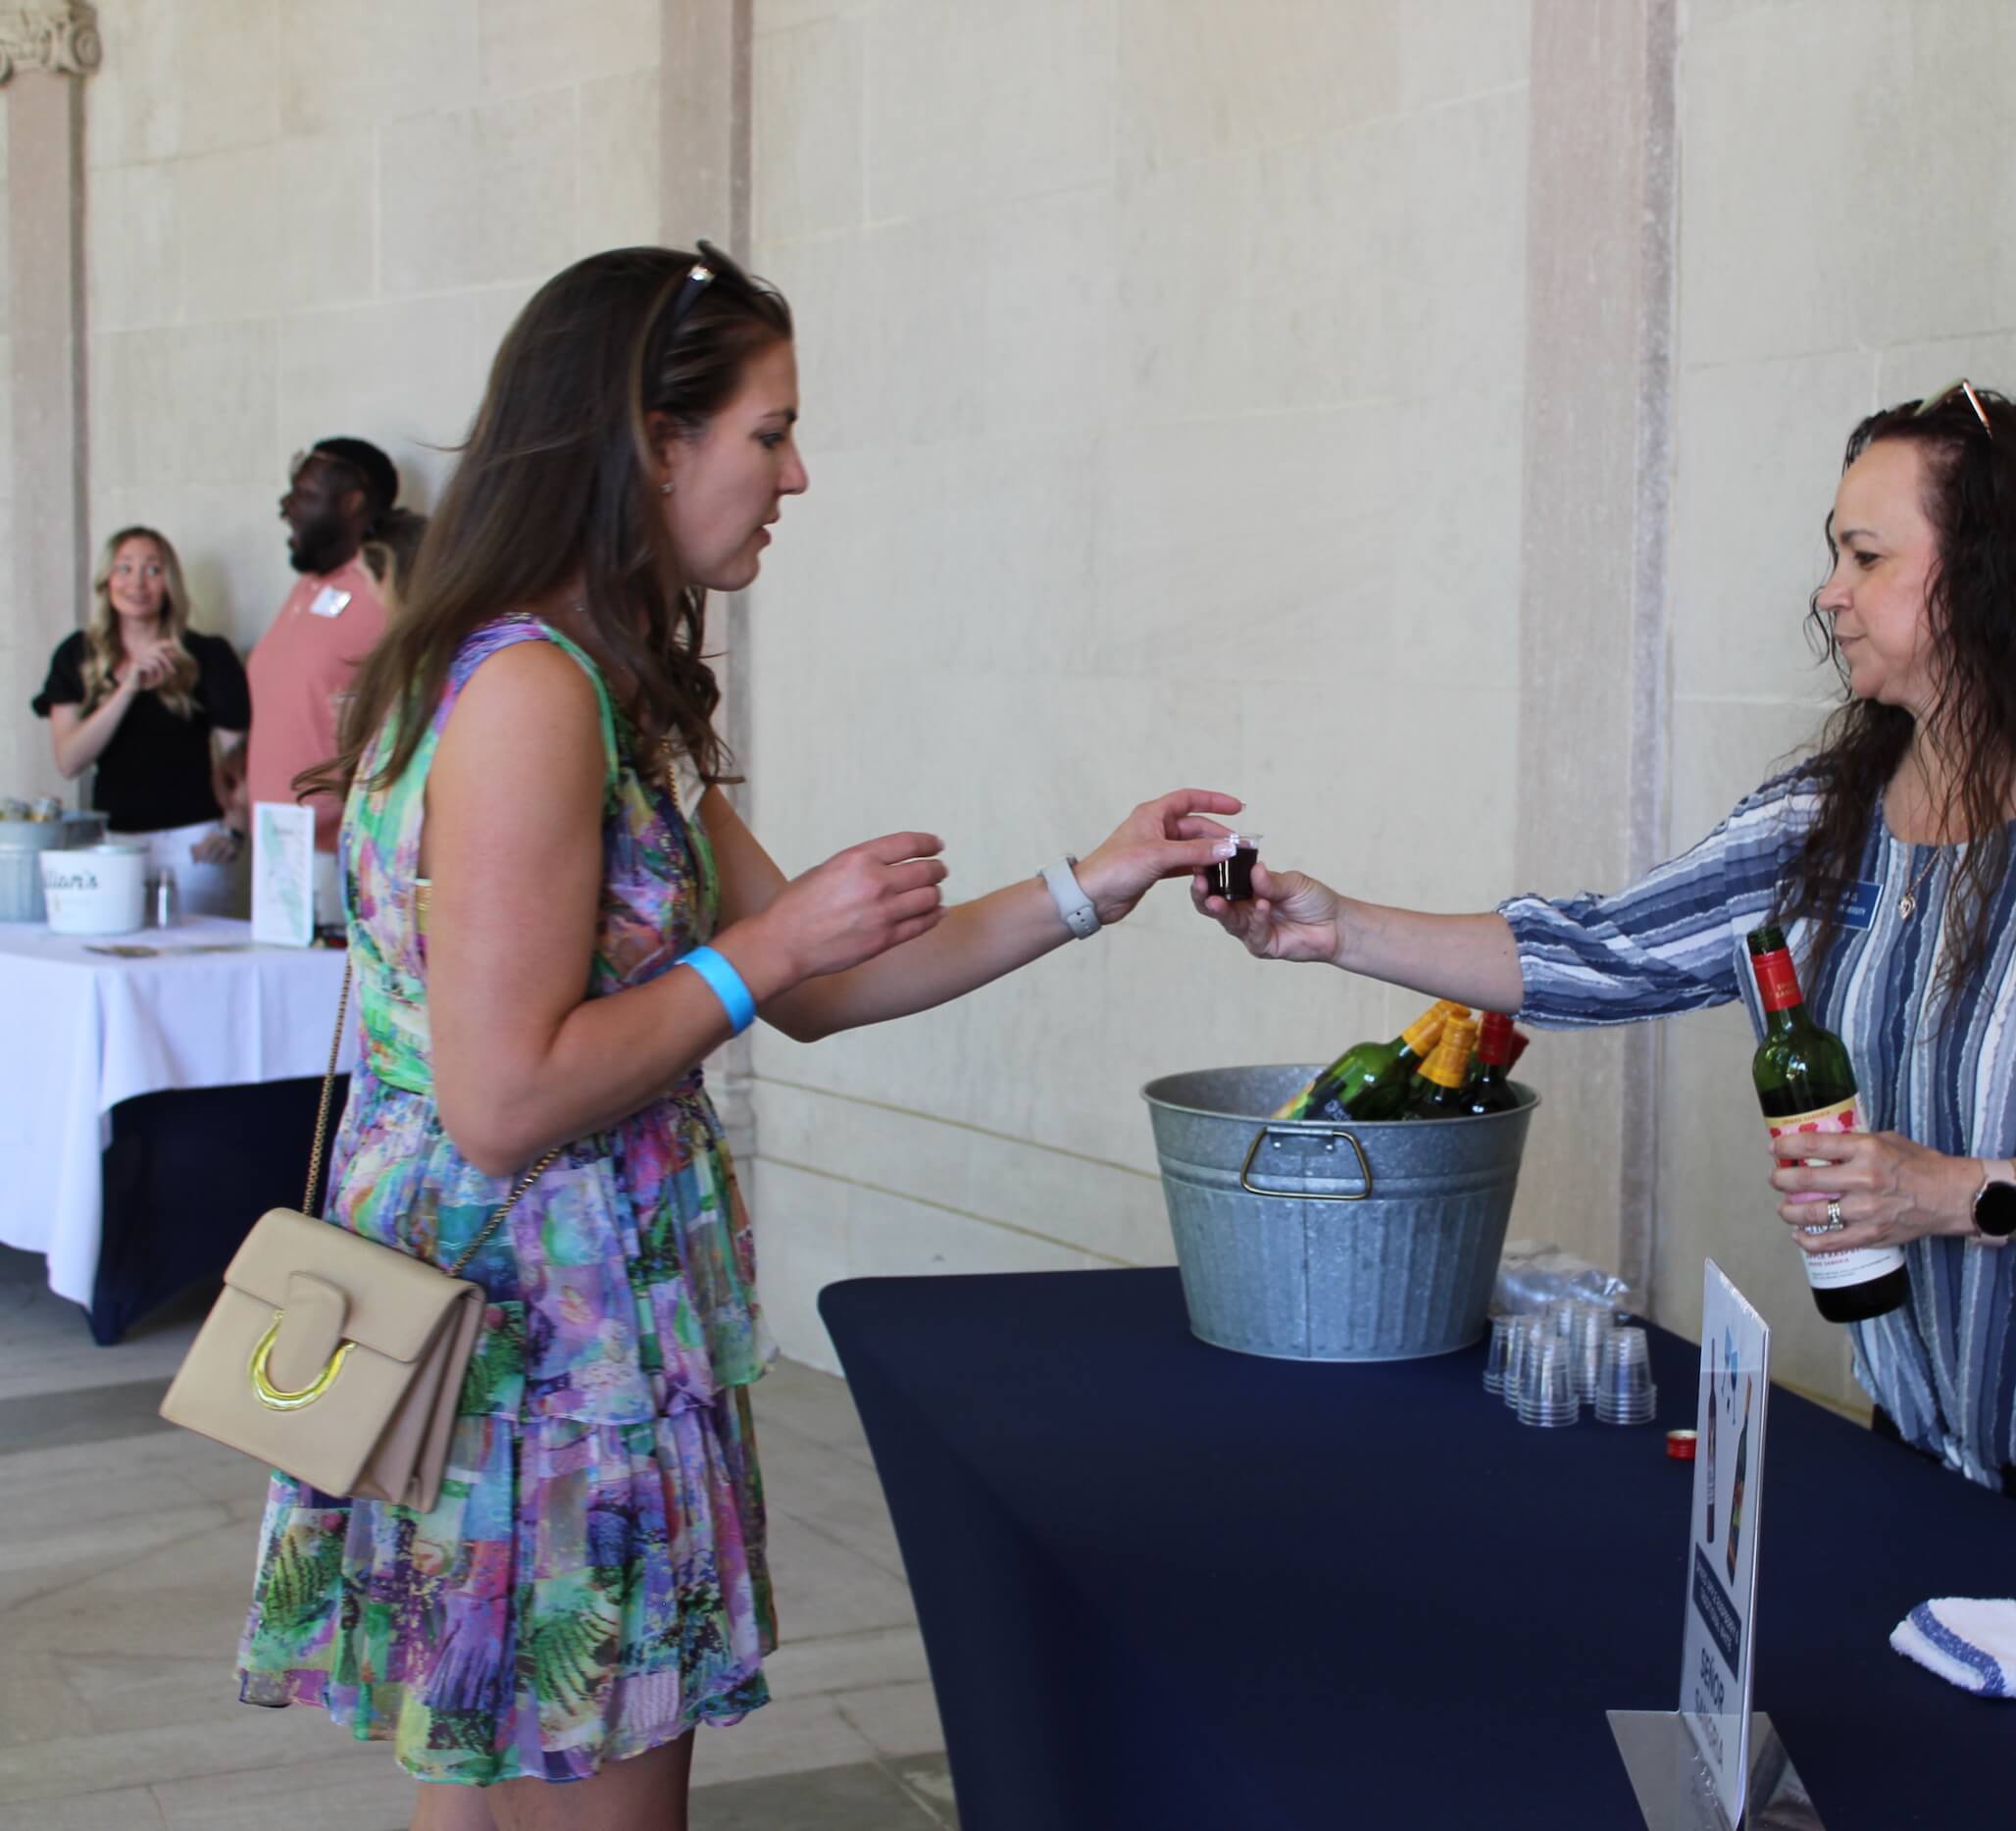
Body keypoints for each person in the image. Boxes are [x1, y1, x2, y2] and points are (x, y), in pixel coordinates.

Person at [233, 242, 1240, 1823]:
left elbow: (820, 986)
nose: (797, 472)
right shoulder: (531, 695)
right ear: (651, 437)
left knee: (486, 1773)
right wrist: (765, 945)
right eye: (770, 430)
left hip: (533, 1325)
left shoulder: (591, 679)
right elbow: (508, 1097)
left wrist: (1091, 881)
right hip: (540, 1351)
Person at [1201, 383, 2016, 1607]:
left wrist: (1942, 1193)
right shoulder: (1830, 817)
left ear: (1990, 580)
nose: (1829, 589)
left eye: (1866, 555)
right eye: (1836, 550)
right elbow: (1605, 950)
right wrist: (1338, 927)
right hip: (1935, 1423)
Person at [30, 527, 252, 916]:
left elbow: (240, 757)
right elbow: (69, 761)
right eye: (125, 568)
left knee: (197, 964)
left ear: (170, 583)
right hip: (113, 841)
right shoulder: (77, 654)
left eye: (152, 570)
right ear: (107, 580)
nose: (137, 583)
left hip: (195, 838)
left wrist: (235, 830)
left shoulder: (207, 654)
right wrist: (129, 687)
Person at [234, 433, 402, 927]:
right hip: (276, 845)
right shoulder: (307, 587)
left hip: (339, 856)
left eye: (304, 494)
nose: (287, 507)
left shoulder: (384, 589)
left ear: (352, 503)